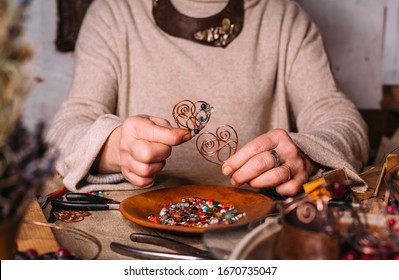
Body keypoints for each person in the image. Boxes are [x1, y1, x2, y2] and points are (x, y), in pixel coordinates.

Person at [46, 0, 369, 196]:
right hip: (134, 224)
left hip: (257, 223)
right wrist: (111, 146)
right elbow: (67, 127)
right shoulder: (113, 13)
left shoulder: (284, 17)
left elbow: (340, 118)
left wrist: (306, 153)